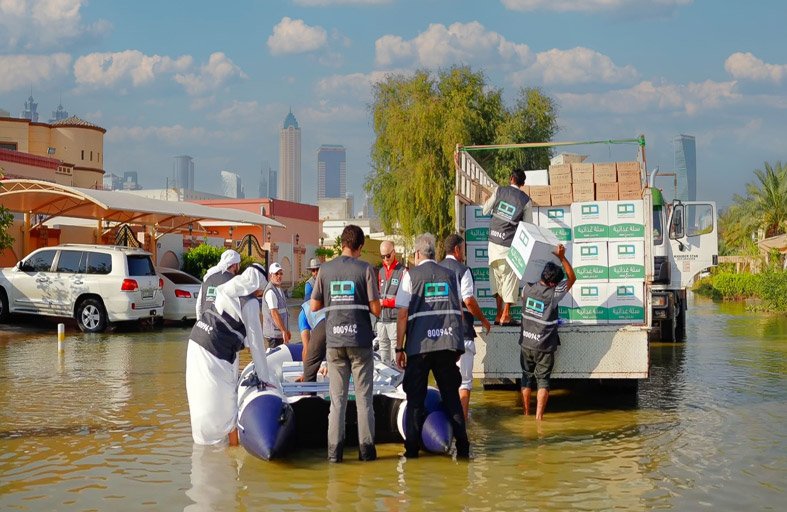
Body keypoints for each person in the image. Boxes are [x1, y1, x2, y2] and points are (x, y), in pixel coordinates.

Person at [395, 233, 470, 459]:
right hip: (447, 345)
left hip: (419, 348)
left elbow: (402, 314)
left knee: (415, 401)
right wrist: (457, 347)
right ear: (434, 254)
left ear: (417, 254)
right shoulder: (450, 275)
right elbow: (458, 312)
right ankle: (464, 450)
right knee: (452, 399)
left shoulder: (410, 276)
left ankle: (411, 453)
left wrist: (399, 348)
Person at [311, 224, 381, 462]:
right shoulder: (365, 269)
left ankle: (334, 455)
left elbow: (313, 306)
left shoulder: (324, 270)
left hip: (334, 343)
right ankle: (367, 453)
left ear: (341, 244)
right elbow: (376, 309)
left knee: (337, 401)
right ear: (359, 246)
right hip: (360, 341)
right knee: (364, 401)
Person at [186, 263, 272, 446]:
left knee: (202, 402)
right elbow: (256, 344)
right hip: (215, 352)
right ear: (258, 285)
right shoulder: (249, 304)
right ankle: (232, 451)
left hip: (196, 342)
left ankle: (204, 447)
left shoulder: (226, 288)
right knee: (227, 404)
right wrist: (265, 378)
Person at [519, 244, 576, 421]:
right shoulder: (554, 294)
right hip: (544, 345)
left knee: (526, 378)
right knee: (543, 381)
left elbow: (522, 296)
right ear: (553, 283)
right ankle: (538, 419)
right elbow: (572, 278)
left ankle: (527, 413)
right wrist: (562, 257)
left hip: (526, 343)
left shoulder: (527, 289)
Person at [439, 234, 492, 420]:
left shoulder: (435, 269)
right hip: (461, 334)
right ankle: (461, 425)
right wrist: (484, 321)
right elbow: (468, 301)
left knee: (443, 382)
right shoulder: (463, 270)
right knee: (464, 383)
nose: (464, 253)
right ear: (457, 250)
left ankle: (445, 421)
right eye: (463, 249)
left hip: (439, 335)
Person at [482, 168, 532, 326]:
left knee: (496, 280)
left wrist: (489, 200)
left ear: (511, 178)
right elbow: (528, 227)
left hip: (492, 245)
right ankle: (506, 315)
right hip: (508, 246)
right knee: (510, 279)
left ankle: (497, 315)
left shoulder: (499, 191)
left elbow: (485, 211)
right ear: (523, 183)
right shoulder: (526, 200)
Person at [377, 240, 406, 364]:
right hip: (381, 320)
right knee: (383, 356)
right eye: (382, 256)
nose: (385, 259)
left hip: (395, 320)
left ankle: (399, 380)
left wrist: (384, 302)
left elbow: (404, 299)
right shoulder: (380, 272)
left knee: (396, 354)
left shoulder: (403, 271)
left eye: (388, 256)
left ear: (393, 252)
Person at [195, 249, 241, 319]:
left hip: (205, 325)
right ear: (234, 265)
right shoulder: (233, 281)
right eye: (238, 264)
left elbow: (199, 306)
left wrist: (200, 323)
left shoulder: (208, 278)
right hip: (223, 327)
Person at [296, 299, 327, 382]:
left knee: (310, 372)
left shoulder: (303, 315)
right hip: (338, 322)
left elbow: (306, 349)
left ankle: (309, 391)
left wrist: (306, 373)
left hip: (323, 324)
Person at [261, 262, 290, 349]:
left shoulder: (279, 289)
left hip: (279, 334)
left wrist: (287, 330)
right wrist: (284, 330)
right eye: (276, 274)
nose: (279, 276)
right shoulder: (270, 292)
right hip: (273, 335)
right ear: (271, 276)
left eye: (281, 273)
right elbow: (274, 313)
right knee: (274, 358)